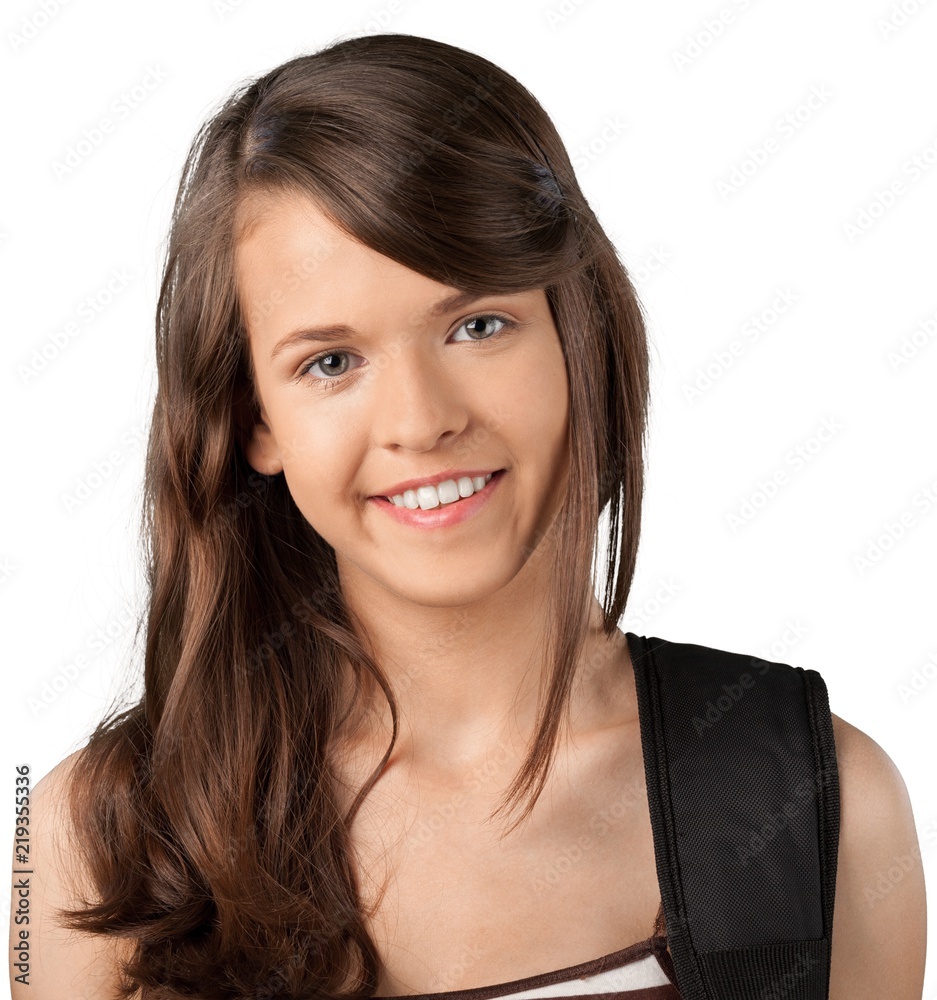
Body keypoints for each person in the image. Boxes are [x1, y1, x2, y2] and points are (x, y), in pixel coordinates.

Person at [9, 32, 926, 1000]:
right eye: (330, 360)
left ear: (580, 333)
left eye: (476, 325)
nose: (421, 420)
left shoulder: (814, 799)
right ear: (252, 419)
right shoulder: (86, 837)